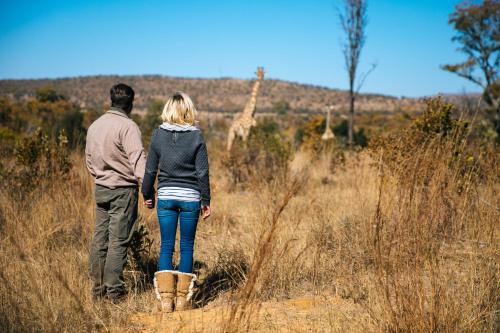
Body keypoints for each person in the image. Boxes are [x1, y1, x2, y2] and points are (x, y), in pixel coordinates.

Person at [142, 92, 211, 312]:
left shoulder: (158, 135)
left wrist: (147, 193)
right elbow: (202, 172)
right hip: (191, 197)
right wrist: (206, 199)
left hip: (166, 196)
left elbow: (151, 169)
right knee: (187, 247)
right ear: (188, 111)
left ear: (168, 109)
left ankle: (165, 301)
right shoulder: (197, 136)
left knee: (166, 246)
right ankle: (183, 301)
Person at [85, 83, 146, 301]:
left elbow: (89, 161)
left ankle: (97, 290)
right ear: (131, 104)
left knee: (100, 238)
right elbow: (138, 162)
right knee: (118, 240)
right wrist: (148, 190)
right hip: (123, 190)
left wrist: (100, 178)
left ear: (111, 101)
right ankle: (115, 292)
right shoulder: (128, 127)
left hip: (101, 188)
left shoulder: (95, 125)